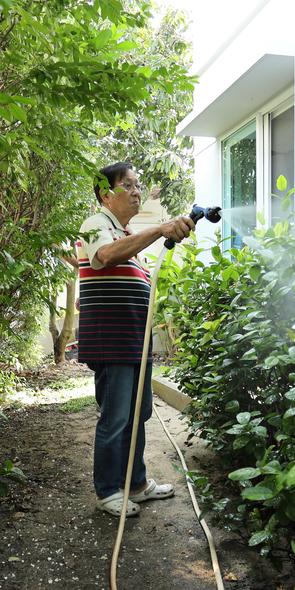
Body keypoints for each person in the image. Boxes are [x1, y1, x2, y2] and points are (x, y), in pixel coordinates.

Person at [76, 162, 196, 516]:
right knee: (115, 417)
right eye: (126, 185)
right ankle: (108, 490)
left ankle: (136, 483)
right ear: (105, 193)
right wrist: (161, 227)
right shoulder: (96, 224)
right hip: (112, 341)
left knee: (139, 412)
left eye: (137, 185)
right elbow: (106, 256)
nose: (135, 190)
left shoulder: (126, 235)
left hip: (134, 342)